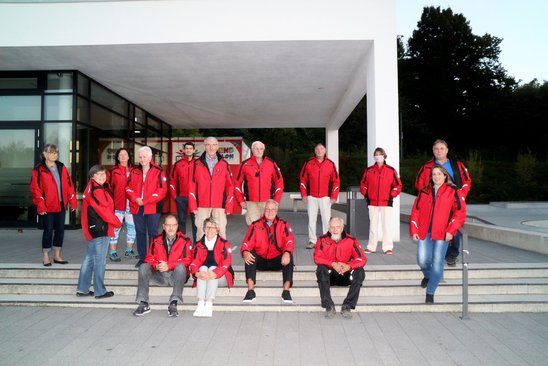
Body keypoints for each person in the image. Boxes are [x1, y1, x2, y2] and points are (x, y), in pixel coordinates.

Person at [410, 165, 467, 304]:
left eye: (439, 174)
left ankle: (430, 292)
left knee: (437, 262)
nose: (436, 177)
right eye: (434, 174)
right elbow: (415, 211)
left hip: (442, 233)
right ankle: (428, 275)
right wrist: (414, 229)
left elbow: (460, 213)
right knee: (422, 260)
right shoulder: (424, 191)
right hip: (425, 232)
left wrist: (451, 230)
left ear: (445, 176)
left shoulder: (453, 191)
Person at [415, 139, 471, 266]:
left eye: (441, 148)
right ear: (433, 151)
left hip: (451, 202)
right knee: (433, 229)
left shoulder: (457, 165)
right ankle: (436, 257)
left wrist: (460, 196)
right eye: (436, 149)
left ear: (447, 150)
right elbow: (419, 184)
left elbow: (467, 182)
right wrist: (428, 197)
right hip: (433, 204)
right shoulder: (426, 167)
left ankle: (452, 254)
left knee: (454, 229)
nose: (439, 151)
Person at [133, 214, 193, 317]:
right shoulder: (156, 239)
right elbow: (149, 258)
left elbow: (188, 260)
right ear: (163, 226)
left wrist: (169, 265)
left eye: (173, 225)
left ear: (177, 226)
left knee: (181, 267)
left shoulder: (185, 240)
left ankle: (174, 302)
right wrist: (156, 266)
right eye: (168, 225)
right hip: (159, 275)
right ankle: (144, 303)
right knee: (143, 266)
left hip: (176, 276)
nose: (171, 228)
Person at [77, 165, 121, 299]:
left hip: (93, 228)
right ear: (92, 177)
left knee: (89, 259)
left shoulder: (93, 187)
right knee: (99, 260)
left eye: (103, 174)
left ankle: (82, 289)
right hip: (100, 228)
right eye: (98, 175)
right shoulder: (97, 189)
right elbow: (103, 210)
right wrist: (116, 222)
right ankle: (100, 291)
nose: (102, 177)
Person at [30, 143, 78, 266]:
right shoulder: (39, 169)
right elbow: (35, 189)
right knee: (48, 230)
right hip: (47, 206)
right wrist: (40, 205)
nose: (54, 154)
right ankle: (45, 256)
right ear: (45, 154)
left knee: (60, 231)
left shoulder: (61, 167)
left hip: (61, 205)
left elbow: (69, 186)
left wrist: (73, 202)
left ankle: (57, 255)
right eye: (51, 152)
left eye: (56, 152)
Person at [240, 199, 294, 303]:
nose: (270, 212)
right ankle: (250, 291)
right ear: (264, 210)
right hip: (261, 260)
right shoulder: (255, 225)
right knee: (250, 254)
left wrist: (287, 252)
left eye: (273, 209)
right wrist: (245, 251)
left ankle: (286, 291)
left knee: (289, 256)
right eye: (267, 209)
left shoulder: (283, 224)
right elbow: (247, 242)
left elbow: (290, 241)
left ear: (276, 211)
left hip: (277, 261)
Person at [314, 217, 366, 318]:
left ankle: (347, 305)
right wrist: (333, 264)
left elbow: (362, 259)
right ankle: (328, 305)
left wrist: (349, 266)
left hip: (345, 275)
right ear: (328, 228)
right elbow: (317, 257)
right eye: (332, 227)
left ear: (342, 228)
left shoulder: (351, 240)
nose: (335, 230)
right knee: (320, 268)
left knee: (360, 271)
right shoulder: (322, 240)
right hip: (330, 275)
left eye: (337, 227)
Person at [126, 146, 168, 267]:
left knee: (153, 233)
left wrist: (146, 201)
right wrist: (135, 199)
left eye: (145, 156)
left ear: (150, 157)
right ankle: (143, 257)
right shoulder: (134, 171)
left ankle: (152, 257)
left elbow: (162, 190)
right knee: (140, 232)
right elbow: (127, 188)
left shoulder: (158, 171)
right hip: (137, 206)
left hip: (152, 207)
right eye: (140, 157)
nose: (142, 159)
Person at [189, 137, 234, 240]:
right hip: (202, 204)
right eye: (208, 145)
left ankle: (222, 255)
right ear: (205, 147)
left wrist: (229, 205)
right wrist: (193, 205)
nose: (211, 147)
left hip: (219, 204)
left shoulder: (224, 164)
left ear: (217, 146)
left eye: (214, 145)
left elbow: (230, 185)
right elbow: (191, 185)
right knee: (201, 230)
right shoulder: (196, 164)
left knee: (221, 230)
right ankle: (200, 254)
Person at [360, 147, 402, 254]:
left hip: (386, 202)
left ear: (384, 156)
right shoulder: (369, 170)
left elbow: (398, 185)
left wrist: (391, 195)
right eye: (376, 154)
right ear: (374, 156)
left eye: (380, 154)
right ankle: (371, 246)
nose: (378, 156)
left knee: (386, 225)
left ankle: (388, 247)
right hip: (372, 202)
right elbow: (363, 184)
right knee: (373, 226)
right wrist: (366, 194)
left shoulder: (391, 170)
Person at [190, 218, 234, 317]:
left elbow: (227, 263)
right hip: (204, 275)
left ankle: (209, 303)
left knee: (212, 268)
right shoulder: (198, 244)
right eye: (207, 227)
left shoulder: (224, 243)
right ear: (204, 229)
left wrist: (214, 273)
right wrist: (196, 273)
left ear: (217, 230)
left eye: (213, 227)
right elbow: (194, 262)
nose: (210, 230)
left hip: (222, 277)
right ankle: (201, 303)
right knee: (202, 269)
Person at [299, 143, 340, 249]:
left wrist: (334, 196)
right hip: (311, 197)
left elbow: (336, 181)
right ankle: (312, 240)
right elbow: (303, 180)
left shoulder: (330, 164)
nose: (319, 150)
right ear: (315, 151)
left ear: (325, 151)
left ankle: (326, 240)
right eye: (317, 148)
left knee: (326, 220)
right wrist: (304, 194)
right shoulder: (309, 163)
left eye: (321, 148)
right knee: (311, 219)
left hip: (326, 197)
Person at [234, 141, 284, 225]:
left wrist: (276, 200)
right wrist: (241, 200)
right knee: (253, 226)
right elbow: (236, 184)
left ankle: (267, 238)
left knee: (268, 225)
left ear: (263, 150)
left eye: (261, 149)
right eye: (256, 148)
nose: (258, 151)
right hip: (251, 203)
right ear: (252, 150)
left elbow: (280, 182)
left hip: (268, 202)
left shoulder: (271, 163)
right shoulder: (245, 164)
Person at [107, 147, 138, 261]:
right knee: (115, 228)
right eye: (120, 155)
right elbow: (108, 188)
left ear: (129, 157)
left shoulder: (135, 171)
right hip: (118, 205)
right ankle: (113, 252)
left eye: (125, 154)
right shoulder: (113, 171)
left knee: (132, 227)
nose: (123, 157)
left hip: (131, 205)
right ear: (118, 158)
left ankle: (128, 250)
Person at [170, 142, 198, 242]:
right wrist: (175, 196)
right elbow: (172, 181)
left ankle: (196, 245)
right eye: (187, 148)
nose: (188, 150)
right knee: (181, 221)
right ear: (184, 150)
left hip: (195, 199)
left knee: (196, 222)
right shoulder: (178, 164)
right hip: (181, 198)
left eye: (190, 148)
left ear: (193, 150)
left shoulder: (199, 164)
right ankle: (182, 244)